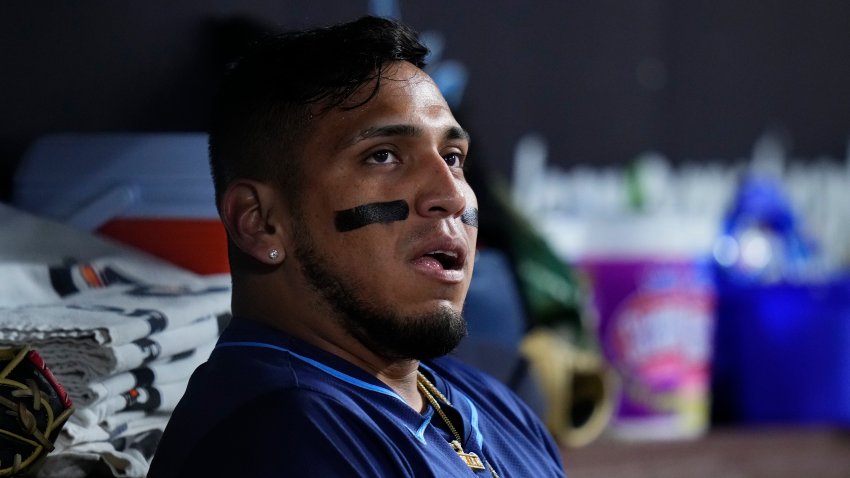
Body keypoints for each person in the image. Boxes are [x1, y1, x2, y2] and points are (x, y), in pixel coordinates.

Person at [148, 15, 566, 477]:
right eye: (383, 155)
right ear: (260, 223)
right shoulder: (277, 438)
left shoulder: (495, 405)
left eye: (452, 158)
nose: (449, 196)